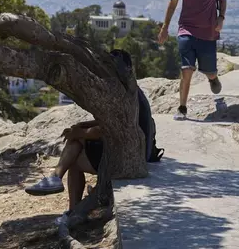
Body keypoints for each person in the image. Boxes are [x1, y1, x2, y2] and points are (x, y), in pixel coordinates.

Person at [24, 49, 158, 223]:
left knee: (75, 153)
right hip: (138, 153)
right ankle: (59, 185)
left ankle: (64, 194)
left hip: (129, 159)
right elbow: (110, 122)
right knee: (77, 143)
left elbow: (106, 130)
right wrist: (84, 126)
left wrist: (79, 133)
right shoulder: (133, 92)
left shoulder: (120, 94)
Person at [157, 0, 227, 121]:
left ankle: (212, 78)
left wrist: (221, 18)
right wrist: (165, 28)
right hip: (186, 29)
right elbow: (172, 3)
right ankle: (182, 108)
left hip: (208, 32)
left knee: (209, 71)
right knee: (187, 69)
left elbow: (222, 0)